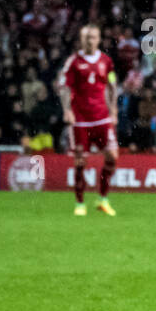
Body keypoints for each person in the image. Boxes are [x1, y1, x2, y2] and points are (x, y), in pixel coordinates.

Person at [58, 24, 118, 216]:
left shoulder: (106, 61)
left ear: (99, 39)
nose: (89, 40)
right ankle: (79, 203)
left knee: (112, 157)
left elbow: (112, 87)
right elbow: (65, 87)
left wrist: (114, 111)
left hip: (102, 117)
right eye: (86, 37)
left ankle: (102, 199)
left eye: (93, 37)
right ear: (81, 40)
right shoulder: (73, 62)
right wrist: (67, 110)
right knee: (80, 162)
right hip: (81, 119)